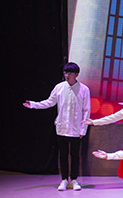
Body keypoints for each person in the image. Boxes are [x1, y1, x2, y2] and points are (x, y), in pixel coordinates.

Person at [23, 62, 91, 191]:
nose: (67, 75)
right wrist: (34, 104)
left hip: (76, 128)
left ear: (76, 75)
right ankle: (64, 179)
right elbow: (50, 102)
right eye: (65, 73)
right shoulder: (59, 87)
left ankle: (74, 179)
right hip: (62, 126)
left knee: (75, 154)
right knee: (63, 154)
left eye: (70, 73)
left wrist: (83, 129)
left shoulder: (84, 89)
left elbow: (86, 110)